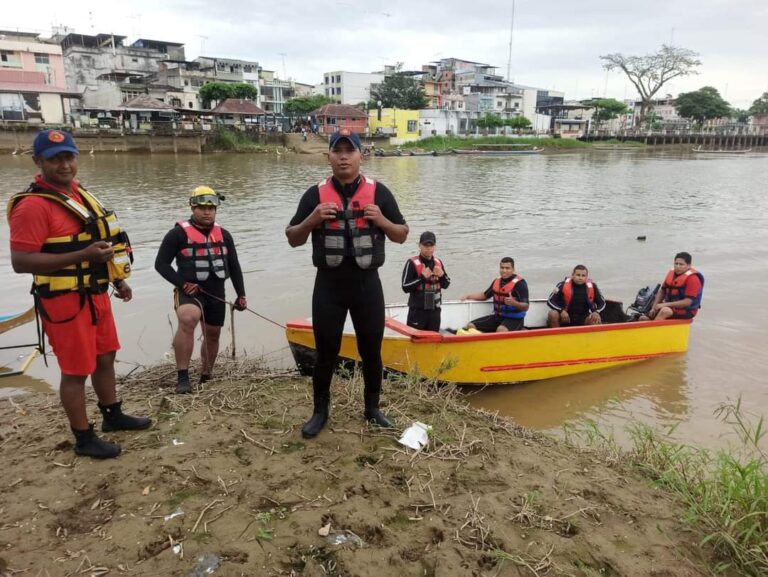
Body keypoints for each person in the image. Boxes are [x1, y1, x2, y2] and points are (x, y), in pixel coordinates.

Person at [7, 129, 151, 459]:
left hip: (96, 292)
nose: (65, 165)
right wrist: (81, 256)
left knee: (106, 356)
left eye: (69, 157)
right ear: (38, 161)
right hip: (64, 302)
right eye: (55, 159)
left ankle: (112, 415)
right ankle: (84, 438)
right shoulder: (31, 207)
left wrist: (117, 281)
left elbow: (102, 242)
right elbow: (20, 262)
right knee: (75, 371)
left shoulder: (79, 195)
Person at [285, 128, 409, 438]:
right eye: (337, 151)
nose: (343, 156)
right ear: (328, 157)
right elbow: (293, 239)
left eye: (349, 150)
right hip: (329, 286)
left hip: (368, 285)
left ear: (360, 155)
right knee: (326, 352)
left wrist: (380, 220)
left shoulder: (379, 192)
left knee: (371, 351)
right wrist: (313, 218)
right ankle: (320, 412)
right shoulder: (315, 195)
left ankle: (372, 409)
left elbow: (402, 234)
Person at [154, 186, 247, 394]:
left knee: (213, 334)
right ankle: (183, 376)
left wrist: (241, 295)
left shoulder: (224, 235)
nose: (207, 212)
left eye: (211, 208)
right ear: (192, 207)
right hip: (188, 291)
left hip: (216, 292)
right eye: (202, 208)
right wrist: (183, 284)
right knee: (188, 318)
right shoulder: (176, 234)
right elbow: (161, 264)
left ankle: (206, 374)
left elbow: (234, 267)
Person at [461, 257, 529, 332]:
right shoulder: (497, 281)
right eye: (502, 268)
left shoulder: (520, 284)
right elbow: (485, 295)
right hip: (498, 317)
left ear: (513, 269)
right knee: (470, 326)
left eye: (507, 268)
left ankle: (519, 330)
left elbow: (526, 307)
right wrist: (468, 296)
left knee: (501, 330)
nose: (504, 271)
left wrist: (514, 303)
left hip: (515, 319)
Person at [401, 231, 450, 331]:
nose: (428, 248)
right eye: (425, 245)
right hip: (417, 312)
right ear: (419, 245)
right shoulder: (411, 263)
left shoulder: (438, 262)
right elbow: (405, 287)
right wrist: (422, 277)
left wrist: (442, 275)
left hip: (434, 312)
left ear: (435, 247)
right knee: (415, 341)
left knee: (433, 341)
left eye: (431, 245)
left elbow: (446, 284)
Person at [644, 252, 704, 321]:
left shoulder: (693, 279)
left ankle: (653, 330)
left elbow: (687, 302)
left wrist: (665, 305)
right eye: (676, 263)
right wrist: (654, 307)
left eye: (681, 264)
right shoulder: (672, 273)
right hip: (670, 306)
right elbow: (662, 291)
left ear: (688, 266)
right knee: (644, 316)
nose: (678, 266)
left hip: (687, 310)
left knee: (665, 311)